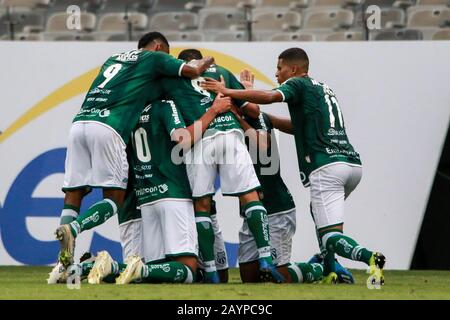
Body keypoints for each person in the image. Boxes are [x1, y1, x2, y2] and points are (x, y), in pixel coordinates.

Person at [201, 47, 386, 284]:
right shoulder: (320, 87)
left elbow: (268, 103)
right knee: (253, 273)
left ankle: (365, 259)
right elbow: (296, 125)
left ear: (294, 69)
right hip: (350, 164)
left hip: (321, 170)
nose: (276, 73)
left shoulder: (295, 85)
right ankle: (330, 266)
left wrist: (227, 91)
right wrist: (254, 106)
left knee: (328, 237)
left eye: (280, 68)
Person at [52, 32, 215, 271]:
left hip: (79, 125)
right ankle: (75, 228)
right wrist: (208, 60)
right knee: (114, 199)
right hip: (109, 127)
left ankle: (62, 265)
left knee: (73, 195)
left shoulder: (113, 59)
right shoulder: (153, 58)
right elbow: (193, 70)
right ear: (159, 47)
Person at [162, 49, 284, 283]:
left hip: (201, 138)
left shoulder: (176, 79)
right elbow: (254, 110)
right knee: (250, 197)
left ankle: (210, 271)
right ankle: (266, 259)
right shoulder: (223, 72)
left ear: (183, 63)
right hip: (230, 134)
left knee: (202, 205)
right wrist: (243, 93)